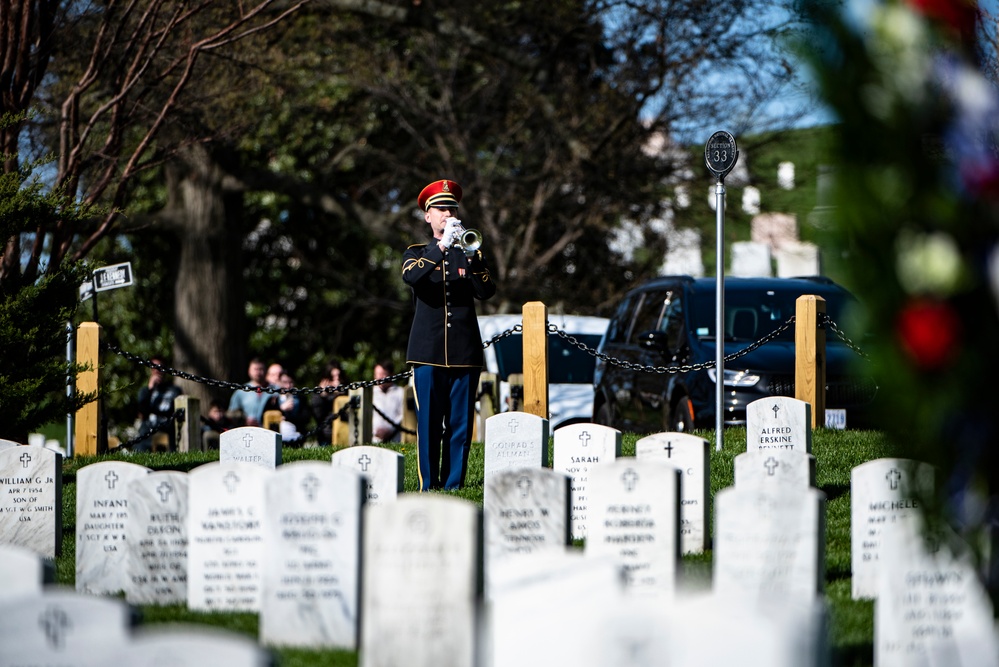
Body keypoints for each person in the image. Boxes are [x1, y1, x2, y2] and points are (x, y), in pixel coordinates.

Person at [403, 179, 495, 490]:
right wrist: (442, 246)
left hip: (464, 351)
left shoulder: (468, 252)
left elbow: (486, 290)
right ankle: (429, 485)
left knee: (460, 425)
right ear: (427, 216)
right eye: (441, 208)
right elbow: (413, 277)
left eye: (452, 208)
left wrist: (470, 255)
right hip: (427, 352)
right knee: (429, 424)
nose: (448, 213)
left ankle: (454, 483)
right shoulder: (417, 252)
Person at [135, 356, 182, 451]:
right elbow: (142, 412)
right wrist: (150, 389)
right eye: (154, 367)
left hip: (167, 431)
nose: (157, 370)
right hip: (148, 430)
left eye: (160, 367)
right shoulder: (145, 391)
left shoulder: (174, 390)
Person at [309, 360, 349, 444]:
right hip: (326, 437)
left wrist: (341, 395)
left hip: (346, 434)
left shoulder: (347, 390)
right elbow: (318, 415)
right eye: (332, 377)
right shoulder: (319, 395)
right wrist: (323, 396)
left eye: (338, 376)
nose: (337, 380)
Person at [227, 358, 270, 426]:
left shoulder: (275, 389)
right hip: (247, 431)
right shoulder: (241, 391)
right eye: (256, 369)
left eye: (261, 369)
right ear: (249, 371)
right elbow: (231, 413)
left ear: (266, 371)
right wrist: (244, 419)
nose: (258, 372)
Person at [372, 360, 405, 443]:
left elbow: (403, 415)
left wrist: (390, 430)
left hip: (396, 440)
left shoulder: (400, 392)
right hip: (374, 440)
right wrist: (375, 431)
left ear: (391, 375)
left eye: (383, 374)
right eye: (378, 374)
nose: (380, 377)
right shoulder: (370, 394)